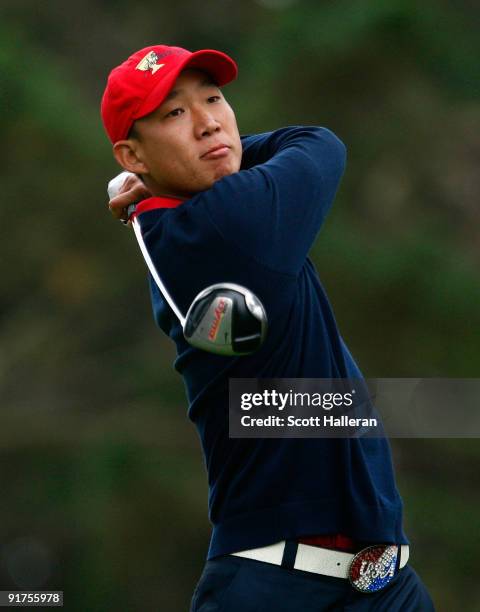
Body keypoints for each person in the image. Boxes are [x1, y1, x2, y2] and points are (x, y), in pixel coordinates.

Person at [101, 44, 435, 611]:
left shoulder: (182, 221)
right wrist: (202, 162)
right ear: (130, 153)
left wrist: (156, 176)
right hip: (281, 587)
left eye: (213, 99)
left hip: (381, 582)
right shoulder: (232, 224)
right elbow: (318, 144)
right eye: (176, 114)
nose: (209, 121)